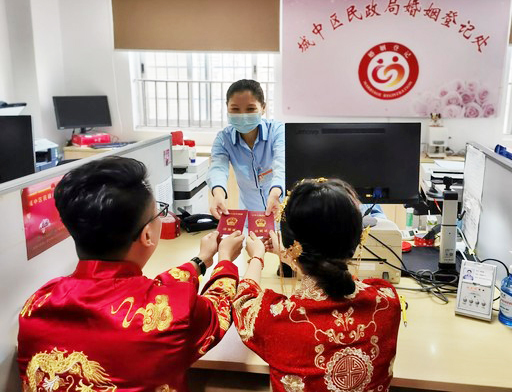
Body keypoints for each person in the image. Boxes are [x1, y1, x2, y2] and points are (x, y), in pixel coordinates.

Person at [17, 156, 244, 392]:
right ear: (147, 235)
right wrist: (225, 260)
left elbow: (140, 293)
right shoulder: (172, 315)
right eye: (159, 213)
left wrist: (200, 261)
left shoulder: (37, 304)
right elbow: (218, 311)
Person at [232, 178, 401, 392]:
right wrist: (291, 256)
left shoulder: (277, 319)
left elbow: (243, 301)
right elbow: (334, 274)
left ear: (291, 244)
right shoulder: (387, 301)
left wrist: (257, 256)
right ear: (357, 239)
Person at [208, 79, 284, 218]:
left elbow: (282, 163)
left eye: (250, 109)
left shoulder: (277, 131)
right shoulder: (224, 139)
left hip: (280, 210)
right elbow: (218, 168)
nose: (243, 115)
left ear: (263, 108)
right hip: (250, 217)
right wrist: (218, 194)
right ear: (227, 107)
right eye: (235, 109)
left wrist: (276, 191)